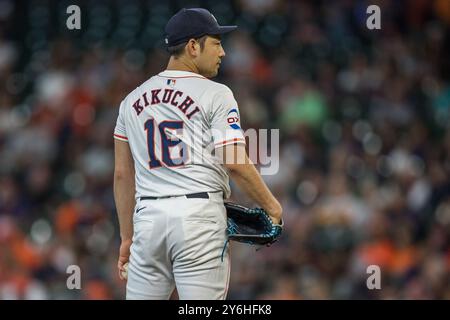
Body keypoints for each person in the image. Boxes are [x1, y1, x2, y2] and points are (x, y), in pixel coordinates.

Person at [113, 7, 282, 300]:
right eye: (216, 43)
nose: (223, 52)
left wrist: (127, 237)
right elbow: (235, 161)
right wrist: (272, 207)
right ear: (193, 46)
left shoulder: (131, 100)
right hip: (197, 217)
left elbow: (122, 174)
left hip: (148, 220)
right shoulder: (216, 93)